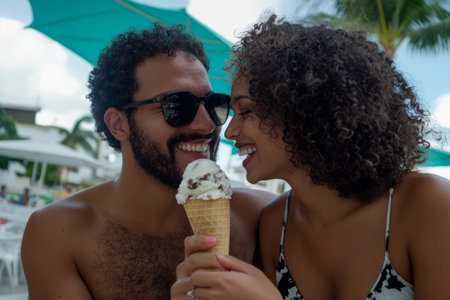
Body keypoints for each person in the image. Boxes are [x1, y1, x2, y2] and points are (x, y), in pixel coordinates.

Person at [172, 14, 450, 299]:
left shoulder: (428, 205)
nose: (229, 131)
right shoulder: (273, 224)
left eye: (246, 111)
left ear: (305, 111)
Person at [21, 24, 274, 299]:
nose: (207, 125)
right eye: (177, 106)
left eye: (214, 104)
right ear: (119, 124)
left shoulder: (261, 215)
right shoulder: (59, 232)